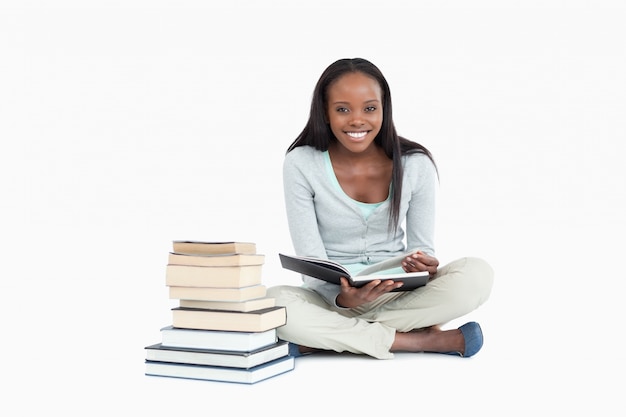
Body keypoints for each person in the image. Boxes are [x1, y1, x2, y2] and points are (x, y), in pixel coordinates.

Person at [267, 58, 494, 360]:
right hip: (331, 298)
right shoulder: (301, 163)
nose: (357, 120)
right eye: (343, 109)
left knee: (477, 275)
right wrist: (343, 299)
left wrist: (424, 264)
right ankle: (416, 340)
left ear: (384, 110)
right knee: (273, 303)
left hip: (399, 294)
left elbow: (422, 248)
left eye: (369, 108)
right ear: (325, 112)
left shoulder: (415, 164)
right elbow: (312, 261)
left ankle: (322, 339)